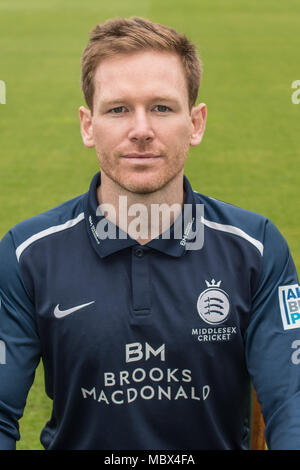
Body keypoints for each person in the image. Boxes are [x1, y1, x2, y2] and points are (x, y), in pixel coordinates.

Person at [0, 16, 299, 451]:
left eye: (161, 107)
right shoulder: (26, 255)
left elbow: (291, 401)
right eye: (119, 109)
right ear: (88, 124)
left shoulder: (256, 248)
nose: (141, 130)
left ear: (196, 122)